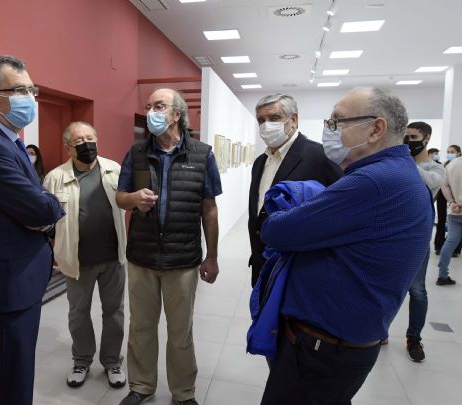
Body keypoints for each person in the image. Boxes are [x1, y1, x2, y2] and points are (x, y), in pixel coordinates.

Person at [259, 87, 432, 404]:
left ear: (376, 128)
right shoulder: (399, 174)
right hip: (344, 343)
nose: (329, 130)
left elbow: (276, 231)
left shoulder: (372, 182)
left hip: (322, 349)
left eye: (337, 122)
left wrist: (294, 207)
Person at [0, 55, 65, 405]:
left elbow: (35, 205)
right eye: (18, 90)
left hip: (20, 282)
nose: (29, 98)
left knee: (17, 379)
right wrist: (46, 208)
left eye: (31, 90)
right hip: (6, 288)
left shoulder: (10, 142)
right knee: (10, 388)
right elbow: (41, 207)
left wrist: (41, 207)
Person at [116, 88, 222, 405]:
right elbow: (120, 197)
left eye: (159, 106)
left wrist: (212, 256)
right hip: (142, 257)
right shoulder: (136, 153)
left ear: (177, 114)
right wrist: (133, 199)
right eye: (149, 106)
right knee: (141, 328)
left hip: (183, 260)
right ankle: (141, 386)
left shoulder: (202, 154)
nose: (151, 112)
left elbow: (209, 209)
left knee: (180, 332)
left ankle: (183, 392)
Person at [43, 122, 127, 389]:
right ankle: (81, 360)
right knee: (78, 314)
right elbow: (46, 219)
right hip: (76, 261)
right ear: (68, 147)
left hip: (113, 258)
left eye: (90, 138)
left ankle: (112, 361)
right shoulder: (55, 178)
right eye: (79, 141)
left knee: (114, 312)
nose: (86, 144)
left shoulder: (114, 170)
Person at [248, 94, 342, 287]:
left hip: (301, 269)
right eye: (261, 120)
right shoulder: (260, 162)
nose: (266, 125)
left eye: (274, 118)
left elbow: (341, 213)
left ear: (294, 120)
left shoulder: (321, 157)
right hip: (262, 264)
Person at [402, 121, 444, 362]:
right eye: (405, 136)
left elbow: (428, 182)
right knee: (387, 287)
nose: (408, 141)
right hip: (393, 233)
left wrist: (403, 160)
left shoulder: (435, 169)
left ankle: (414, 338)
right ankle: (379, 331)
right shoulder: (400, 163)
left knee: (417, 291)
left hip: (418, 237)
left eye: (413, 137)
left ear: (426, 139)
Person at [437, 153, 462, 286]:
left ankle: (442, 275)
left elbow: (444, 185)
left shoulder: (452, 164)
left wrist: (452, 202)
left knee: (450, 242)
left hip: (454, 210)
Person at [434, 144, 462, 255]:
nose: (450, 154)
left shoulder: (458, 165)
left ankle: (455, 248)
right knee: (441, 220)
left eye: (452, 152)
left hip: (455, 194)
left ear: (458, 153)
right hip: (442, 194)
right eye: (448, 152)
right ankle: (439, 245)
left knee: (457, 221)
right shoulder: (444, 165)